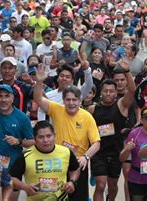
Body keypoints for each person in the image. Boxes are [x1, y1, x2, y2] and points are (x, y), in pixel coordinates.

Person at [34, 63, 101, 201]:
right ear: (63, 101)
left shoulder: (87, 117)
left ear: (80, 100)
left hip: (78, 163)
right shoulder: (56, 109)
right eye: (68, 100)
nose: (71, 103)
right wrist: (39, 81)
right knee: (54, 197)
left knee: (78, 198)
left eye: (74, 100)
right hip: (56, 162)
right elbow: (38, 99)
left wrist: (86, 158)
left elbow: (96, 143)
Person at [87, 58, 135, 201]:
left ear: (116, 93)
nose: (108, 93)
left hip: (116, 152)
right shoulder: (92, 109)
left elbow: (132, 90)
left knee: (112, 186)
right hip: (98, 152)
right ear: (100, 92)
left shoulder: (121, 105)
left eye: (111, 91)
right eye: (105, 91)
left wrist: (127, 71)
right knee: (100, 185)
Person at [9, 121, 80, 200]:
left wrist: (72, 181)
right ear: (35, 138)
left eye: (49, 136)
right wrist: (25, 187)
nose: (45, 140)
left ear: (55, 136)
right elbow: (11, 178)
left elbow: (75, 168)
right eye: (41, 137)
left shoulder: (66, 152)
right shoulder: (25, 156)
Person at [120, 105, 147, 201]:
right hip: (137, 179)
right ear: (141, 120)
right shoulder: (134, 134)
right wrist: (127, 149)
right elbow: (122, 158)